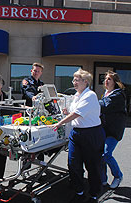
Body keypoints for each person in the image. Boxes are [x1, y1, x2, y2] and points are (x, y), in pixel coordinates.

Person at [51, 69, 105, 203]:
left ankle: (93, 195)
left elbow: (76, 114)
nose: (73, 82)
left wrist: (60, 123)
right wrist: (66, 111)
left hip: (91, 133)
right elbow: (72, 111)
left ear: (85, 82)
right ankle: (79, 191)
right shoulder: (76, 95)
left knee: (92, 166)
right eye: (73, 79)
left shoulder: (90, 95)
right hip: (76, 133)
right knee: (73, 163)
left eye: (76, 80)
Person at [99, 70, 127, 189]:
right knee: (100, 155)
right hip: (103, 130)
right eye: (105, 79)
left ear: (115, 82)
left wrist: (89, 102)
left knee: (106, 153)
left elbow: (105, 105)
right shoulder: (105, 94)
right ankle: (103, 179)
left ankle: (118, 176)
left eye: (109, 79)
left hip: (113, 131)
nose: (106, 81)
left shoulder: (118, 94)